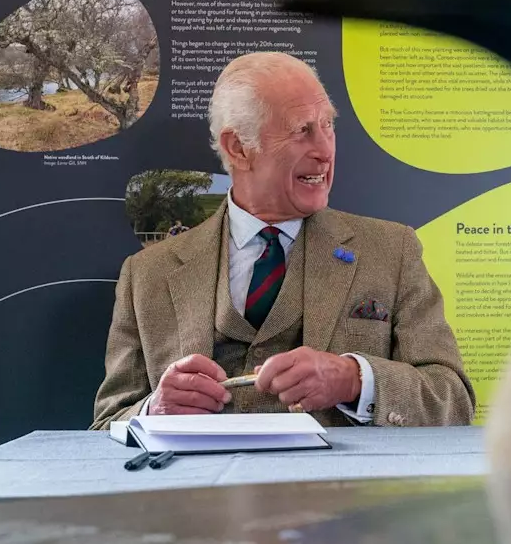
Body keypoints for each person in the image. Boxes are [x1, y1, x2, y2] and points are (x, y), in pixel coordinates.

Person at [91, 52, 475, 430]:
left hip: (340, 490)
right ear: (238, 148)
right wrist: (151, 411)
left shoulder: (392, 251)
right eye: (301, 130)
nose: (325, 151)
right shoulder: (146, 274)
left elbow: (453, 401)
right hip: (199, 491)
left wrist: (355, 379)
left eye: (328, 126)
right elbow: (108, 422)